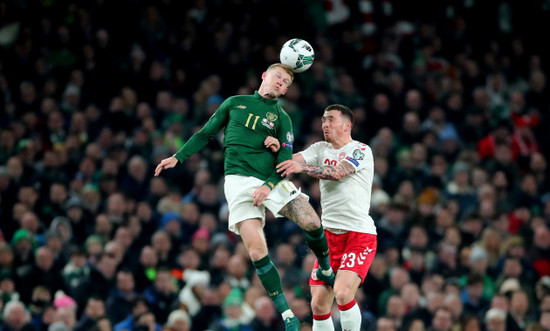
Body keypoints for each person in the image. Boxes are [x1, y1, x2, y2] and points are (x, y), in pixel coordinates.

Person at [154, 63, 335, 330]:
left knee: (312, 223)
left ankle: (326, 270)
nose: (281, 84)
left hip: (270, 180)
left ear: (286, 90)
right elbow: (206, 133)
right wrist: (177, 157)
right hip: (238, 184)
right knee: (256, 250)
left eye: (286, 83)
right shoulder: (235, 103)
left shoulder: (282, 119)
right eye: (278, 77)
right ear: (265, 75)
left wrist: (268, 184)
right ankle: (287, 315)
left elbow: (285, 163)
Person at [276, 104, 378, 331]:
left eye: (331, 119)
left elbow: (338, 173)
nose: (325, 124)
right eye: (323, 120)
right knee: (319, 304)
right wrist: (276, 150)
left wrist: (302, 168)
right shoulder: (320, 148)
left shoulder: (360, 150)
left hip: (359, 235)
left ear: (347, 125)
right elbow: (291, 160)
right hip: (329, 237)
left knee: (342, 293)